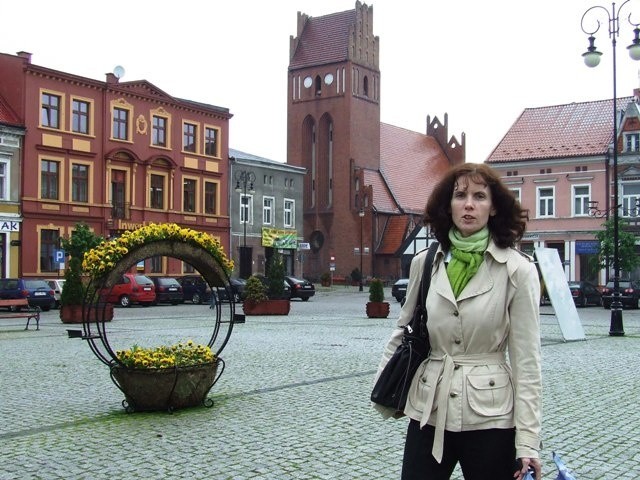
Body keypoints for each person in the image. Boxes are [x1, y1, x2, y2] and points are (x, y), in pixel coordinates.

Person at [374, 163, 542, 480]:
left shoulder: (517, 269)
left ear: (493, 208)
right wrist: (384, 387)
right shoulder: (425, 262)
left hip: (490, 415)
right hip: (430, 407)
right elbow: (404, 329)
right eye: (460, 195)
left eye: (479, 196)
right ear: (447, 205)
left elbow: (527, 360)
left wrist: (528, 442)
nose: (468, 204)